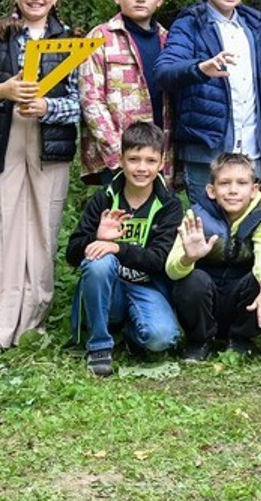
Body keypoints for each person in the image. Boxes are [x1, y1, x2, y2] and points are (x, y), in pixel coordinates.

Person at [0, 0, 81, 348]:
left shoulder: (72, 40)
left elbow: (81, 102)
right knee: (6, 224)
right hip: (7, 138)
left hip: (51, 143)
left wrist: (49, 107)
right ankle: (3, 323)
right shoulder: (2, 35)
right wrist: (4, 91)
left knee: (44, 228)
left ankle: (33, 322)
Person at [65, 121, 182, 376]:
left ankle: (128, 329)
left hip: (146, 285)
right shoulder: (104, 198)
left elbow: (159, 260)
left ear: (162, 162)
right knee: (98, 262)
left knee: (161, 339)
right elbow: (72, 255)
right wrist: (96, 237)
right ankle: (99, 345)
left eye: (150, 161)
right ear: (121, 160)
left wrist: (116, 247)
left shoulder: (169, 205)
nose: (142, 168)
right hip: (109, 285)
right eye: (134, 159)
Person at [156, 0, 261, 196]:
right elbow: (164, 72)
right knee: (209, 229)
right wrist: (200, 69)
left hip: (251, 150)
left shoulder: (256, 26)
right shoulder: (190, 24)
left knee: (253, 228)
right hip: (206, 150)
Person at [165, 151, 261, 360]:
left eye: (241, 183)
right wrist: (188, 258)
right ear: (211, 190)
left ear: (254, 190)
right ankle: (199, 341)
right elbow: (171, 270)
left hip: (240, 300)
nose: (233, 190)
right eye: (225, 183)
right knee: (190, 280)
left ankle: (241, 339)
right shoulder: (195, 217)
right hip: (207, 301)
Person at [80, 0, 171, 183]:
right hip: (118, 159)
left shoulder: (169, 41)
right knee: (118, 216)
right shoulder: (100, 38)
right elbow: (91, 100)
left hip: (158, 156)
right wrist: (118, 152)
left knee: (157, 217)